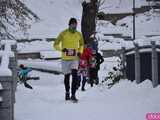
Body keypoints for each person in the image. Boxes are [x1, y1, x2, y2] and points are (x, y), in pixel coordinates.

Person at [53, 18, 84, 102]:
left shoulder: (79, 34)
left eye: (76, 25)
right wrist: (61, 49)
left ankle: (73, 95)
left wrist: (80, 52)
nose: (74, 26)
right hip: (65, 59)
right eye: (73, 24)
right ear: (69, 25)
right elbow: (55, 44)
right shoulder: (63, 33)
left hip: (74, 58)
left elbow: (81, 44)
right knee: (67, 77)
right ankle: (67, 92)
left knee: (75, 75)